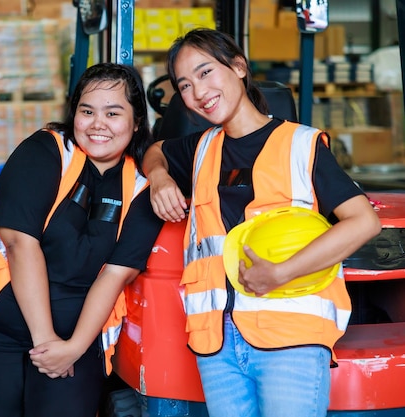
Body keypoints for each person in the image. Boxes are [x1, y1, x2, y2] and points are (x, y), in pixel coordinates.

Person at [142, 28, 381, 417]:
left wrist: (281, 272)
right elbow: (155, 151)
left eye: (205, 73)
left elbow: (363, 222)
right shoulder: (202, 147)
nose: (198, 92)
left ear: (238, 67)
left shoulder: (300, 145)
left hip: (290, 339)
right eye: (184, 85)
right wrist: (160, 178)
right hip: (216, 342)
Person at [0, 62, 164, 417]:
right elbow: (20, 243)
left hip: (75, 345)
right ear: (73, 113)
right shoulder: (46, 152)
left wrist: (71, 348)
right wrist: (46, 339)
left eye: (113, 113)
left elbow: (115, 274)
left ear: (136, 121)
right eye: (87, 111)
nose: (98, 124)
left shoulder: (141, 187)